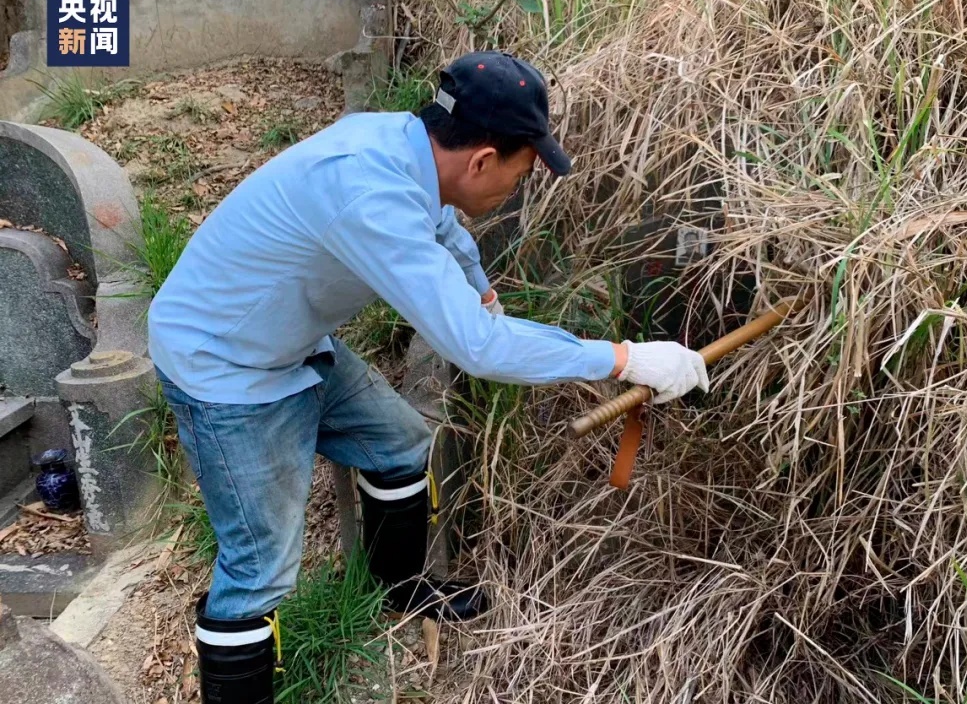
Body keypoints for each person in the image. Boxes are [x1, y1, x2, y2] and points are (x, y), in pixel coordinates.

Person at [147, 50, 709, 704]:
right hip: (225, 364)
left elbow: (447, 229)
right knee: (260, 569)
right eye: (522, 174)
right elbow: (479, 350)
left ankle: (402, 589)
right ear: (481, 161)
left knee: (401, 443)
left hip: (287, 339)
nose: (516, 189)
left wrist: (483, 292)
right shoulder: (367, 192)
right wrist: (626, 359)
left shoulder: (400, 144)